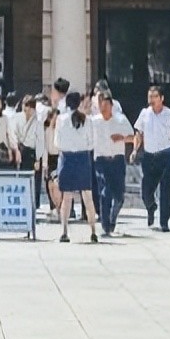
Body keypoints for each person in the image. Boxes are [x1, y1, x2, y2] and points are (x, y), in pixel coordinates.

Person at [132, 85, 170, 232]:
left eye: (155, 96)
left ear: (162, 98)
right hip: (149, 156)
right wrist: (134, 150)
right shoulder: (144, 114)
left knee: (165, 189)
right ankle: (151, 207)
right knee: (146, 191)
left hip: (166, 155)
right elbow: (138, 133)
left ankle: (164, 222)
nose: (152, 100)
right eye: (150, 96)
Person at [54, 91, 98, 244]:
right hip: (82, 158)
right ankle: (93, 231)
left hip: (66, 158)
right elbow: (92, 142)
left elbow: (56, 143)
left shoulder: (60, 119)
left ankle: (64, 231)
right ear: (79, 103)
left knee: (66, 197)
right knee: (88, 196)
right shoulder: (88, 120)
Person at [92, 92, 133, 236]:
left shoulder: (120, 120)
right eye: (100, 104)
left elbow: (133, 137)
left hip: (117, 160)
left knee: (119, 195)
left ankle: (113, 218)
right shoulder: (94, 121)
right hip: (101, 161)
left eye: (106, 105)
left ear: (111, 106)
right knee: (105, 192)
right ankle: (105, 225)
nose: (103, 108)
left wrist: (121, 137)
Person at [14, 94, 45, 208]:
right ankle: (23, 200)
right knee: (22, 177)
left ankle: (34, 203)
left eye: (28, 108)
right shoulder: (19, 118)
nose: (26, 111)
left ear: (32, 109)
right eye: (24, 107)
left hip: (32, 152)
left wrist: (38, 158)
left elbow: (40, 141)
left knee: (34, 179)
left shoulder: (38, 121)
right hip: (22, 150)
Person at [43, 104, 60, 216]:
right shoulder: (47, 131)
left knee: (57, 183)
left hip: (59, 157)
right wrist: (44, 163)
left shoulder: (61, 131)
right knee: (49, 183)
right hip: (50, 157)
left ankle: (60, 207)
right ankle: (52, 206)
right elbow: (45, 147)